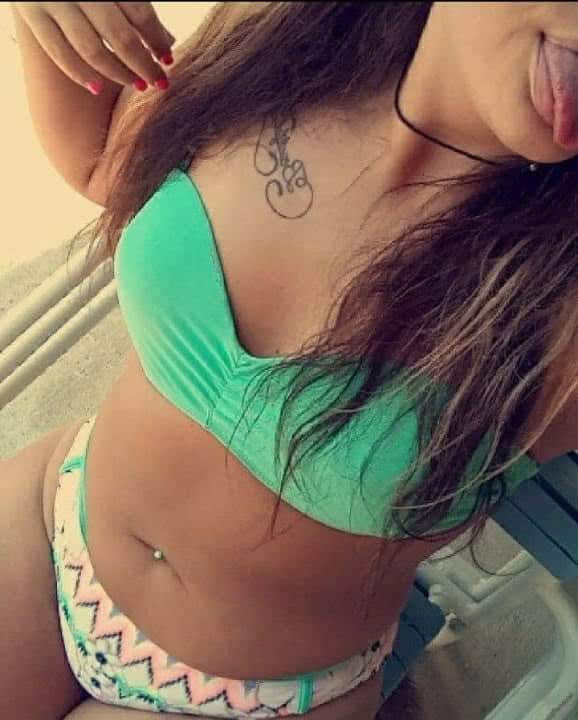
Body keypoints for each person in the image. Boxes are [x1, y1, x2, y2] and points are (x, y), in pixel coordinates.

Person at [4, 2, 578, 719]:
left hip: (253, 697)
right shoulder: (288, 42)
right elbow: (105, 162)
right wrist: (54, 19)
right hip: (53, 525)